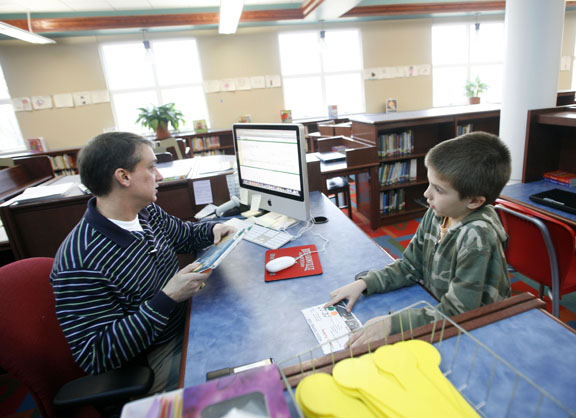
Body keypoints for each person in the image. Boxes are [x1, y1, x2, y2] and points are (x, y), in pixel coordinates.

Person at [50, 132, 236, 393]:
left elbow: (184, 235)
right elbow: (95, 355)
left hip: (188, 320)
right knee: (238, 374)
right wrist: (167, 298)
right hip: (152, 356)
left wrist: (215, 229)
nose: (159, 176)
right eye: (151, 168)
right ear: (123, 177)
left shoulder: (144, 211)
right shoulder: (81, 261)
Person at [326, 131, 512, 348]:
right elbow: (410, 266)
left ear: (474, 201)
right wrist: (365, 282)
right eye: (430, 184)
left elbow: (459, 313)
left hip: (481, 332)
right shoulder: (437, 213)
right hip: (439, 308)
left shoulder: (478, 237)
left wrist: (393, 325)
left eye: (439, 190)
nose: (427, 194)